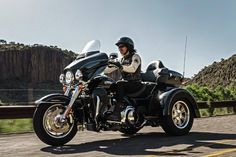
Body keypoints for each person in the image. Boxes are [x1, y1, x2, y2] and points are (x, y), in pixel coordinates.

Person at [104, 37, 143, 121]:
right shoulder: (121, 60)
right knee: (108, 85)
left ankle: (117, 114)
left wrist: (120, 66)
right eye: (118, 47)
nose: (120, 48)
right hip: (126, 83)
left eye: (122, 46)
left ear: (128, 47)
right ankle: (107, 110)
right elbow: (107, 70)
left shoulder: (135, 56)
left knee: (119, 84)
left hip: (135, 83)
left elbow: (133, 68)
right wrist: (100, 68)